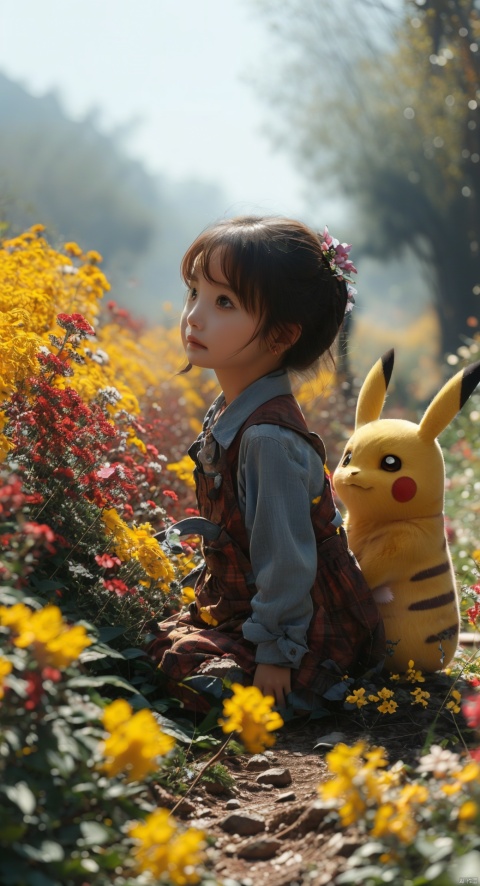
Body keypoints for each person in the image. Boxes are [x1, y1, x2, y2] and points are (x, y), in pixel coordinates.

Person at [149, 215, 385, 714]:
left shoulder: (266, 439)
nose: (194, 315)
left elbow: (286, 561)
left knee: (181, 666)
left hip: (307, 630)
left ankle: (293, 691)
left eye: (224, 303)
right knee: (155, 635)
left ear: (280, 338)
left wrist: (277, 655)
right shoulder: (234, 414)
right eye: (195, 292)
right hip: (260, 612)